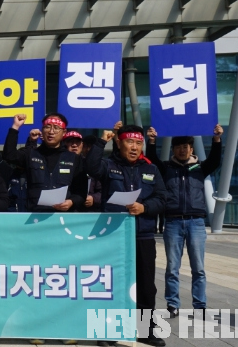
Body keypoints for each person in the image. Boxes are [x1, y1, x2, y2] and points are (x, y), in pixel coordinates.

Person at [85, 124, 167, 347]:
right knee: (110, 284)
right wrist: (102, 141)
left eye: (138, 143)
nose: (134, 147)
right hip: (113, 235)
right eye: (129, 142)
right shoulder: (108, 165)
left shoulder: (151, 169)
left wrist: (145, 207)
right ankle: (108, 331)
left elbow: (162, 198)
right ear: (119, 143)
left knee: (146, 286)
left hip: (142, 236)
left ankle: (146, 330)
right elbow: (91, 167)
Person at [146, 125, 223, 317]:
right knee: (172, 268)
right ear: (173, 149)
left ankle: (200, 305)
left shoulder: (200, 168)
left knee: (199, 268)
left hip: (196, 222)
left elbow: (215, 160)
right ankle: (173, 304)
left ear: (192, 149)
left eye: (186, 146)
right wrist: (152, 141)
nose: (182, 149)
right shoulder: (166, 168)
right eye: (179, 146)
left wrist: (216, 139)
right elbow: (152, 159)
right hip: (172, 222)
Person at [2, 113, 87, 213]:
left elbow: (81, 191)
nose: (51, 132)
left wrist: (71, 201)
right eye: (47, 127)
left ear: (64, 132)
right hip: (34, 216)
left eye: (56, 128)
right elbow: (9, 155)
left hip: (63, 218)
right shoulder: (31, 154)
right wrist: (15, 127)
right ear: (42, 130)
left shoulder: (73, 158)